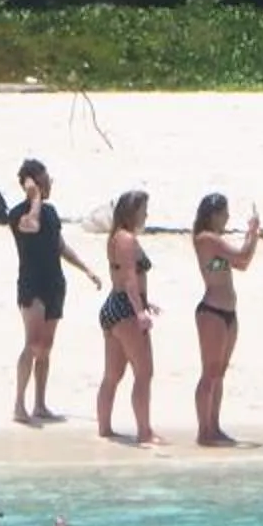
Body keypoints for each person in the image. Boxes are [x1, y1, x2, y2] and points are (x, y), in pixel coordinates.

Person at [6, 157, 101, 425]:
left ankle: (40, 404)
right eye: (44, 182)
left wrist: (86, 269)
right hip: (31, 284)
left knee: (46, 347)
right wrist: (34, 197)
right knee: (33, 343)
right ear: (31, 185)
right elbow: (31, 226)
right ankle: (19, 405)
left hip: (54, 282)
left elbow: (59, 245)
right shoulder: (18, 215)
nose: (49, 186)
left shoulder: (51, 212)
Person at [189, 192, 263, 446]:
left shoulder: (215, 242)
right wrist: (252, 234)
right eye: (224, 212)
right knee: (209, 373)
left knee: (219, 372)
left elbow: (240, 264)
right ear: (213, 215)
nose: (227, 217)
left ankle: (214, 426)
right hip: (212, 311)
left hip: (228, 311)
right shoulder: (207, 239)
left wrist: (251, 238)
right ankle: (204, 430)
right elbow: (242, 258)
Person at [94, 188, 163, 446]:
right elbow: (130, 280)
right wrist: (139, 311)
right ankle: (145, 432)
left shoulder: (115, 238)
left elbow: (123, 278)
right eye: (144, 210)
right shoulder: (126, 240)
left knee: (112, 374)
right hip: (125, 309)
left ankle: (105, 428)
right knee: (144, 372)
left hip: (115, 306)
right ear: (133, 212)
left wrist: (146, 303)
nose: (146, 214)